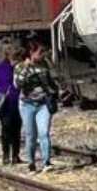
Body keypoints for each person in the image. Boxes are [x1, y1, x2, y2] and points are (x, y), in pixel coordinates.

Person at [15, 44, 60, 172]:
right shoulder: (20, 67)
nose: (42, 55)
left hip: (43, 104)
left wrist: (55, 92)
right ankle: (31, 162)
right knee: (31, 135)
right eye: (40, 52)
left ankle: (47, 162)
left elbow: (52, 80)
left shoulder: (44, 65)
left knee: (44, 133)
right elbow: (17, 84)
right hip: (27, 104)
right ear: (31, 52)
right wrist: (27, 68)